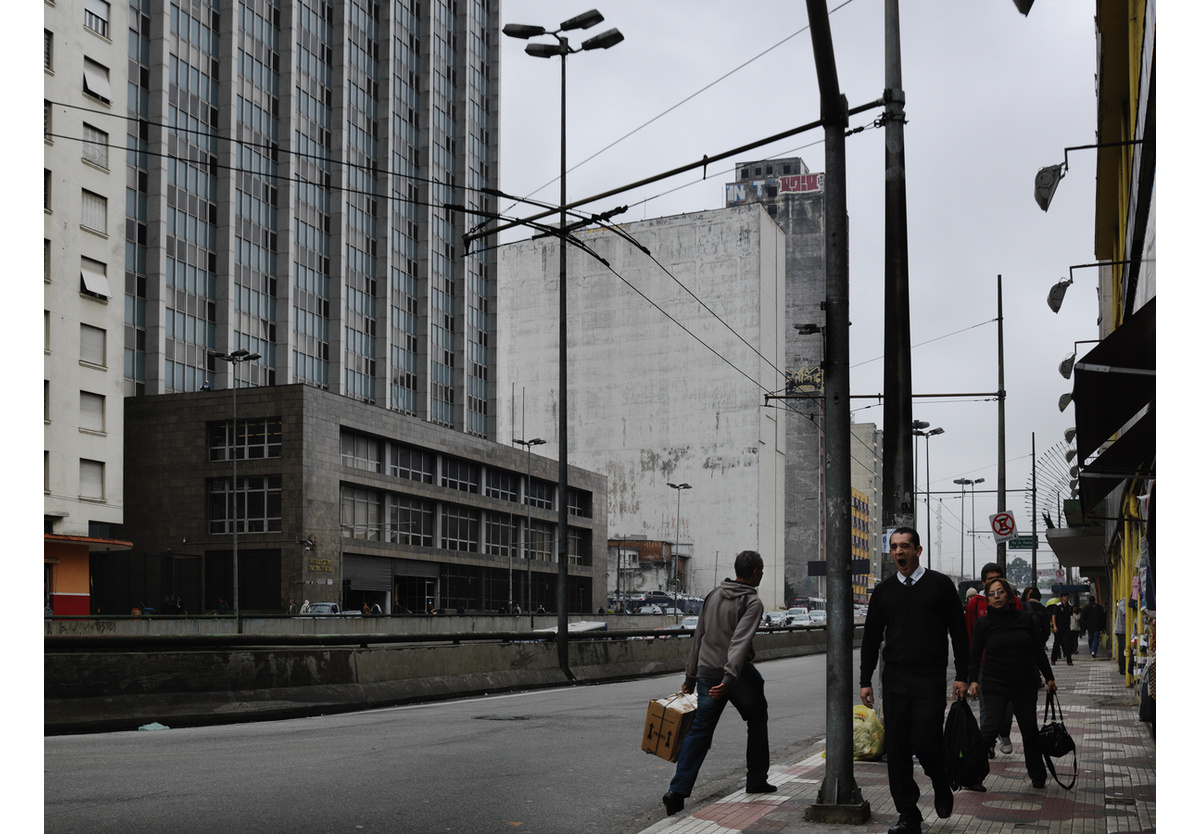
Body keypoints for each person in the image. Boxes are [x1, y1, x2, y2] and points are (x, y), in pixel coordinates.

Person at [860, 528, 969, 834]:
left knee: (926, 742)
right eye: (894, 547)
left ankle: (940, 780)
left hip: (929, 678)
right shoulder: (883, 591)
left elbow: (959, 632)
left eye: (904, 546)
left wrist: (963, 675)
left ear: (918, 550)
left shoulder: (940, 585)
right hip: (894, 678)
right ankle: (908, 813)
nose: (898, 552)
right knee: (896, 747)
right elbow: (870, 637)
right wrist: (865, 679)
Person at [663, 550, 772, 817]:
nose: (762, 574)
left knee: (699, 731)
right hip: (734, 675)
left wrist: (690, 677)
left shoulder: (713, 594)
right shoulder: (752, 602)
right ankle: (756, 779)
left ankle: (676, 792)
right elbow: (739, 642)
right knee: (757, 717)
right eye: (762, 570)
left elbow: (698, 636)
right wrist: (729, 677)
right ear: (756, 572)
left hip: (706, 673)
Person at [968, 577, 1057, 790]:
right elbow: (974, 655)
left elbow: (1037, 650)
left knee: (1029, 730)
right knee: (989, 730)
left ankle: (1037, 775)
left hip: (1025, 684)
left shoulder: (1025, 619)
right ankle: (973, 776)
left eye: (1000, 592)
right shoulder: (984, 624)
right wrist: (972, 681)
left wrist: (1050, 677)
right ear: (987, 599)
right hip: (995, 683)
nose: (996, 596)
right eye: (992, 593)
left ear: (1008, 595)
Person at [965, 563, 1020, 758]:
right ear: (983, 582)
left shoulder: (1015, 603)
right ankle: (987, 743)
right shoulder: (975, 604)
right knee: (985, 707)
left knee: (1008, 707)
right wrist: (970, 675)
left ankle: (1004, 733)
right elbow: (970, 637)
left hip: (1011, 666)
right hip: (983, 666)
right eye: (989, 580)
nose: (993, 584)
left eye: (997, 579)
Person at [1049, 598, 1074, 665]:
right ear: (1062, 598)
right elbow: (1053, 616)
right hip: (1058, 628)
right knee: (1056, 644)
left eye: (1067, 597)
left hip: (1066, 628)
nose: (1066, 598)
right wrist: (1054, 626)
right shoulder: (1058, 606)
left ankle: (1069, 660)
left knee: (1068, 643)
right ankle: (1053, 659)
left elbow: (1071, 614)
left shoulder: (1069, 606)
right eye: (1065, 597)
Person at [1114, 596, 1128, 674]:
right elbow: (1124, 611)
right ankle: (1122, 667)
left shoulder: (1122, 602)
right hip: (1121, 630)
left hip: (1123, 630)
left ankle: (1122, 666)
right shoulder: (1123, 602)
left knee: (1122, 648)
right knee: (1122, 648)